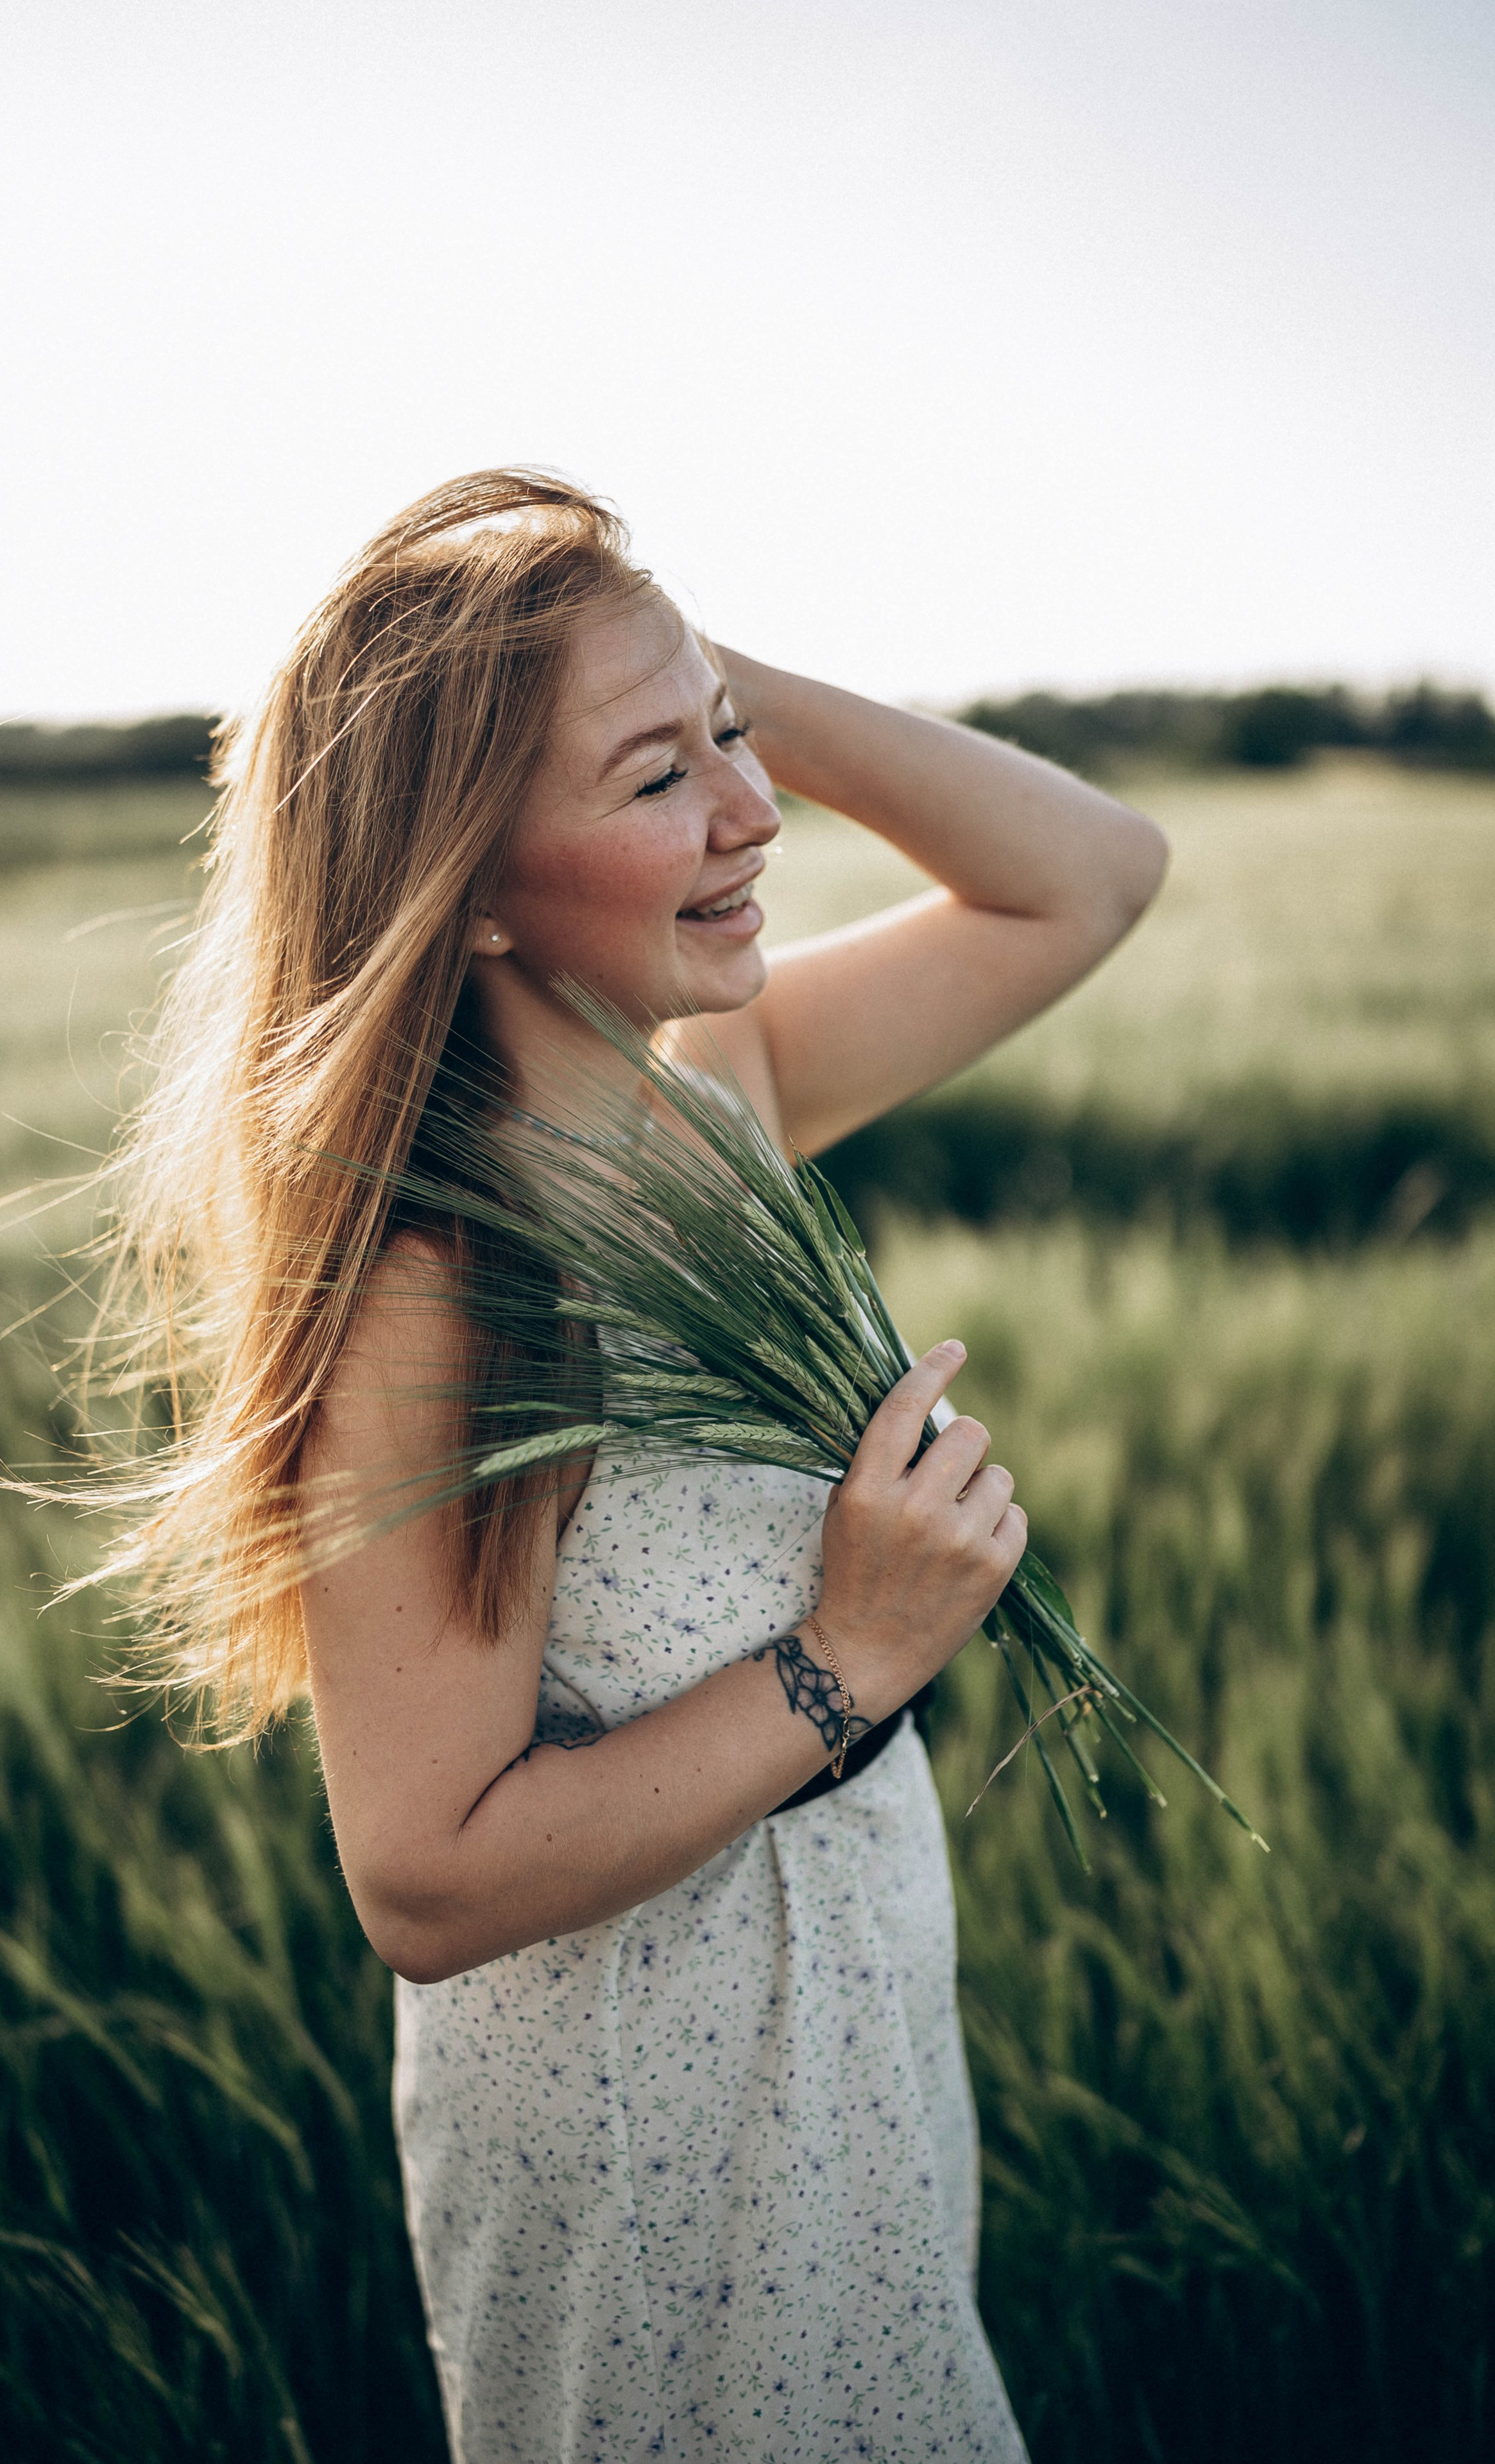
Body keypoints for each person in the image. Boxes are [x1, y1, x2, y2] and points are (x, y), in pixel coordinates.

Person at [110, 468, 1166, 2461]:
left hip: (841, 2023)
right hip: (645, 2119)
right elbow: (419, 1875)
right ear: (478, 880)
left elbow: (1091, 872)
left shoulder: (721, 1095)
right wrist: (850, 1658)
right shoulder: (444, 1279)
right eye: (658, 778)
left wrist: (679, 662)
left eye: (734, 749)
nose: (755, 817)